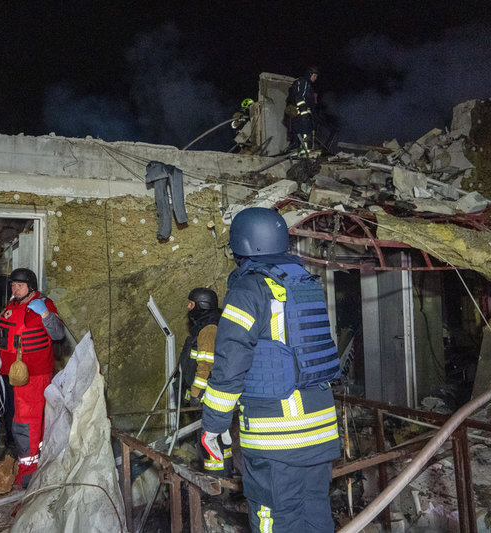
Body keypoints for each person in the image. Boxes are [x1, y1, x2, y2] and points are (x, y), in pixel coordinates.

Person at [201, 207, 341, 532]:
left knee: (275, 520)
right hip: (321, 431)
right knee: (316, 516)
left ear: (241, 245)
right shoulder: (306, 284)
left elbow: (230, 363)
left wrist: (213, 425)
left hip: (277, 439)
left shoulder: (248, 290)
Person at [0, 267, 64, 486]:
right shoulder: (12, 305)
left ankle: (28, 471)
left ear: (31, 287)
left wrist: (45, 314)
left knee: (25, 422)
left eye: (20, 285)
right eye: (13, 285)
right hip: (11, 373)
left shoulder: (44, 304)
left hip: (34, 373)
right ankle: (35, 459)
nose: (15, 289)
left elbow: (58, 334)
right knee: (21, 418)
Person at [176, 287, 232, 476]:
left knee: (209, 440)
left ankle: (215, 480)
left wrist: (195, 393)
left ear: (201, 305)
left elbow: (205, 365)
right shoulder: (210, 324)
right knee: (221, 437)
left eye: (191, 304)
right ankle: (224, 474)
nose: (188, 307)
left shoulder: (208, 329)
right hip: (214, 396)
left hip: (208, 397)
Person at [287, 66, 319, 153]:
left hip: (298, 112)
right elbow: (299, 96)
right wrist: (303, 109)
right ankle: (303, 150)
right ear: (309, 74)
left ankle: (297, 150)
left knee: (298, 131)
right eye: (314, 76)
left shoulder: (308, 85)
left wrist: (314, 114)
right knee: (305, 130)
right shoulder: (304, 82)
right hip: (300, 112)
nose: (315, 78)